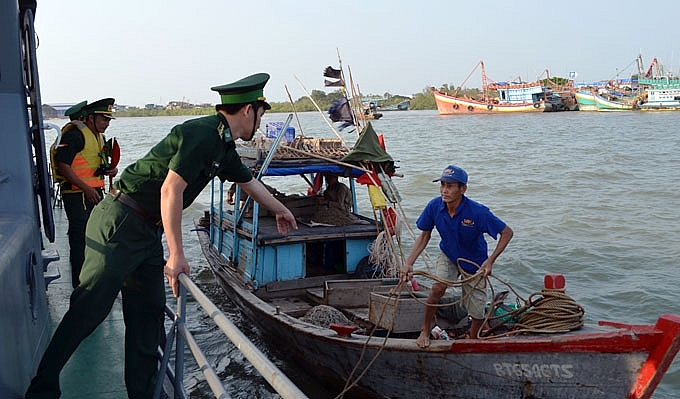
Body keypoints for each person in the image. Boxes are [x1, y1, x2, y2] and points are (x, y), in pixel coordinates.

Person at [26, 73, 298, 399]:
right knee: (90, 309)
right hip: (120, 223)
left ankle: (141, 393)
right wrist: (177, 254)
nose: (261, 120)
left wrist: (282, 209)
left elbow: (249, 183)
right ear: (249, 110)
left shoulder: (223, 147)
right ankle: (41, 388)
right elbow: (171, 190)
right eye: (262, 113)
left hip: (147, 230)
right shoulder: (202, 134)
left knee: (148, 314)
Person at [400, 165, 513, 347]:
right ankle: (425, 330)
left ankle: (473, 337)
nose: (445, 190)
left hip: (475, 261)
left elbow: (507, 232)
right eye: (443, 184)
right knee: (437, 288)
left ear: (463, 189)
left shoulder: (478, 211)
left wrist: (490, 261)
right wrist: (408, 263)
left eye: (450, 186)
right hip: (448, 254)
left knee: (476, 309)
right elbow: (424, 236)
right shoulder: (434, 206)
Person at [50, 98, 118, 288]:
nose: (107, 123)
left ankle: (96, 278)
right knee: (80, 239)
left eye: (109, 120)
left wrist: (111, 171)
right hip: (76, 194)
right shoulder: (75, 136)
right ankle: (80, 284)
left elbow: (94, 164)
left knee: (99, 235)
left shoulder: (99, 137)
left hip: (94, 193)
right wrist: (86, 188)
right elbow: (64, 166)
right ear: (90, 118)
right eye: (104, 119)